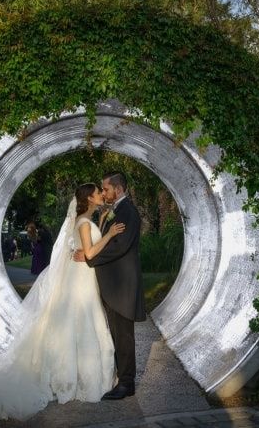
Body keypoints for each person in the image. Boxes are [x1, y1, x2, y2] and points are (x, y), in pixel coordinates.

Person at [0, 184, 125, 425]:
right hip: (81, 281)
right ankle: (75, 380)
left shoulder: (84, 219)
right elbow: (88, 253)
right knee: (82, 322)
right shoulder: (84, 223)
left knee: (77, 323)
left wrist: (103, 221)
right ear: (90, 197)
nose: (102, 195)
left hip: (81, 278)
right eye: (98, 192)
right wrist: (109, 234)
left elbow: (80, 251)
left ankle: (76, 377)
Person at [74, 171, 145, 400]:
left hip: (122, 286)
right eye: (101, 190)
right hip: (112, 286)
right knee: (116, 334)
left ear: (119, 188)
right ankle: (120, 378)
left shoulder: (128, 212)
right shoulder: (115, 211)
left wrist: (90, 258)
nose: (103, 193)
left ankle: (126, 384)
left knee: (124, 336)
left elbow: (119, 246)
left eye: (105, 189)